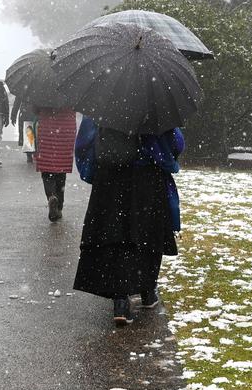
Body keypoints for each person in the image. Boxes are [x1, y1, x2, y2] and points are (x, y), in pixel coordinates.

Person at [72, 117, 184, 326]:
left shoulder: (103, 104)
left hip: (110, 180)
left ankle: (120, 300)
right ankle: (147, 290)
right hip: (147, 178)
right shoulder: (155, 104)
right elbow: (175, 143)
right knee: (147, 235)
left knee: (115, 236)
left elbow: (84, 144)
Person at [33, 105, 76, 222]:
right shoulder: (73, 90)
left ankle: (51, 196)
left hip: (47, 130)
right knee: (61, 171)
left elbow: (35, 109)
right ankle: (59, 207)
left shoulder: (43, 88)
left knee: (47, 170)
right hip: (66, 131)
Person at [11, 93, 36, 164]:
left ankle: (29, 155)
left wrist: (13, 115)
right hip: (36, 114)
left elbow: (17, 103)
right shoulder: (39, 86)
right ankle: (35, 153)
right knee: (36, 134)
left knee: (28, 135)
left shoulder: (23, 88)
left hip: (26, 114)